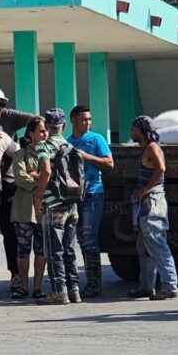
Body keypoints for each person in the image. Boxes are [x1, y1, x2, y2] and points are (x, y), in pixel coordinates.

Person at [0, 88, 33, 295]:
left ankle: (16, 276)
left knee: (11, 234)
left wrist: (24, 145)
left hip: (9, 184)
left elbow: (36, 120)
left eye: (1, 104)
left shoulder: (9, 116)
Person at [125, 116, 178, 301]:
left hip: (152, 201)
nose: (131, 133)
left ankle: (170, 285)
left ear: (139, 130)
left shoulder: (152, 148)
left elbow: (160, 168)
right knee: (145, 247)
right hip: (149, 201)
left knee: (156, 244)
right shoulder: (148, 147)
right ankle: (146, 286)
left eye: (132, 129)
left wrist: (145, 189)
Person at [34, 108, 80, 305]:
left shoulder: (43, 146)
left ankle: (59, 291)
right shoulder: (70, 146)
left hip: (54, 205)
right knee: (69, 250)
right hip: (71, 204)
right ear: (63, 125)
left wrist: (38, 198)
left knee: (54, 251)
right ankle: (74, 290)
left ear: (46, 125)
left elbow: (45, 171)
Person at [67, 105, 114, 298]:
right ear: (73, 120)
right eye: (83, 119)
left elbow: (110, 163)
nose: (87, 123)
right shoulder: (67, 142)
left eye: (89, 119)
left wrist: (87, 157)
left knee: (88, 238)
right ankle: (87, 281)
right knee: (79, 239)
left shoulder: (96, 139)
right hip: (74, 195)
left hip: (93, 193)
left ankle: (94, 284)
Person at [11, 115, 48, 300]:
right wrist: (40, 179)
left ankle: (38, 287)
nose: (45, 134)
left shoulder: (50, 154)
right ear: (31, 134)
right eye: (41, 131)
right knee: (23, 249)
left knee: (41, 250)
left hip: (43, 209)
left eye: (46, 130)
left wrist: (37, 176)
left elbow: (51, 177)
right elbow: (20, 178)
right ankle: (24, 286)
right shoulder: (20, 154)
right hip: (23, 209)